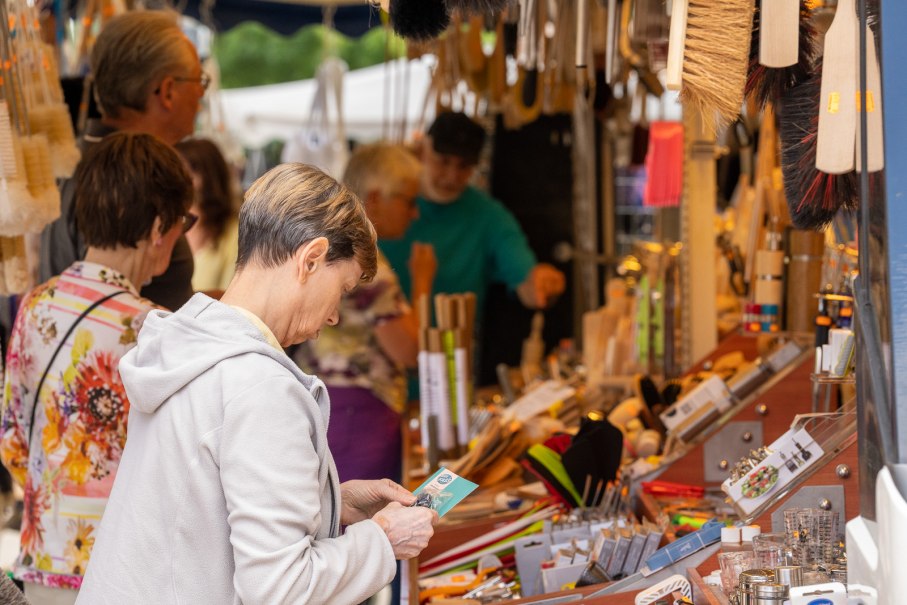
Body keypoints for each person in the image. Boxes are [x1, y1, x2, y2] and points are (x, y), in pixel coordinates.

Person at [76, 163, 438, 605]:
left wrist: (331, 502)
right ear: (310, 259)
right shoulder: (258, 384)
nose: (334, 316)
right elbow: (281, 589)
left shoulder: (189, 342)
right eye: (339, 290)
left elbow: (199, 506)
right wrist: (384, 539)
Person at [1, 133, 194, 605]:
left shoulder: (35, 306)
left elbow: (13, 443)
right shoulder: (154, 329)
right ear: (157, 227)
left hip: (44, 561)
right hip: (123, 568)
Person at [39, 10, 207, 311]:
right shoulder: (131, 179)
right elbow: (124, 315)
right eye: (200, 80)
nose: (201, 95)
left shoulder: (76, 158)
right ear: (167, 92)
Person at [294, 143, 435, 483]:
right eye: (408, 201)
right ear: (374, 198)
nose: (414, 213)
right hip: (359, 413)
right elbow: (410, 350)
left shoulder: (334, 248)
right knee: (362, 524)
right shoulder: (368, 269)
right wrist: (423, 284)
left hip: (329, 405)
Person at [379, 111, 566, 334]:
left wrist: (540, 283)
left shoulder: (488, 215)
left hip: (450, 355)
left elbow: (526, 280)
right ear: (422, 150)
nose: (451, 176)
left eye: (464, 166)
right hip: (381, 356)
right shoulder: (386, 205)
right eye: (443, 161)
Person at [175, 138, 240, 294]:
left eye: (189, 172)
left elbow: (232, 296)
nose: (177, 180)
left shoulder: (235, 233)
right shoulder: (165, 224)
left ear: (210, 176)